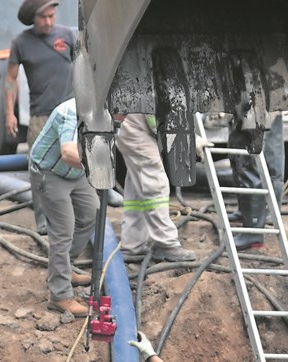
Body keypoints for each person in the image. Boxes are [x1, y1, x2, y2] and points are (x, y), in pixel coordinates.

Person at [6, 0, 76, 235]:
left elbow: (86, 67)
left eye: (51, 16)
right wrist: (9, 112)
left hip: (70, 116)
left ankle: (79, 214)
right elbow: (10, 78)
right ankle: (42, 220)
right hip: (41, 117)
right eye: (43, 17)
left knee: (77, 163)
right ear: (32, 19)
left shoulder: (68, 36)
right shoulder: (21, 43)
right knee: (39, 170)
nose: (48, 21)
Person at [29, 98, 97, 318]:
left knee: (90, 213)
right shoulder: (72, 111)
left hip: (77, 173)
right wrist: (99, 164)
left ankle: (65, 268)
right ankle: (59, 295)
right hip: (51, 172)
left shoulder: (109, 111)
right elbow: (68, 152)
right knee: (63, 231)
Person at [115, 114, 196, 263]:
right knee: (156, 186)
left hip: (132, 128)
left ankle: (132, 245)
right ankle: (166, 244)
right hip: (136, 130)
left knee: (136, 190)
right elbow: (155, 117)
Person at [228, 113, 285, 250]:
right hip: (246, 107)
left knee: (249, 164)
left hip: (257, 108)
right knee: (239, 156)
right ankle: (245, 213)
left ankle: (253, 231)